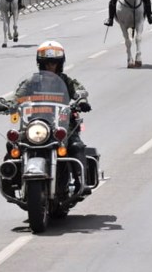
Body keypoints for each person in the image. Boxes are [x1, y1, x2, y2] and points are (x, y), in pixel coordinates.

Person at [8, 41, 93, 192]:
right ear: (41, 64)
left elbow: (79, 91)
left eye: (54, 63)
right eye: (47, 63)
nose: (50, 66)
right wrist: (10, 104)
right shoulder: (31, 82)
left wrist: (82, 101)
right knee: (13, 145)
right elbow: (18, 96)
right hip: (35, 124)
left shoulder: (66, 81)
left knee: (76, 146)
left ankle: (81, 180)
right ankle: (10, 181)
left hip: (62, 124)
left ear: (59, 64)